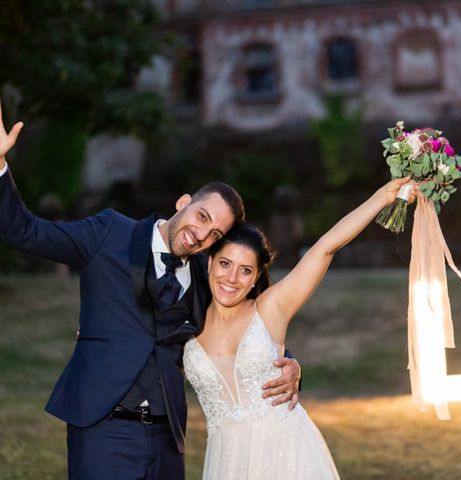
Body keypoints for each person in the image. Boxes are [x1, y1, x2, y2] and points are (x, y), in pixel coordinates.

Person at [0, 102, 301, 480]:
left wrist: (289, 361)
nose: (201, 234)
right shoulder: (109, 233)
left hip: (165, 437)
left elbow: (243, 324)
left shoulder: (206, 276)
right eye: (202, 217)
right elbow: (24, 231)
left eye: (215, 235)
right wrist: (0, 167)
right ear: (183, 202)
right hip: (101, 429)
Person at [184, 177, 415, 479]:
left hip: (286, 453)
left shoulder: (269, 309)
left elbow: (324, 249)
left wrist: (383, 196)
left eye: (245, 271)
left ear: (255, 278)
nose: (232, 279)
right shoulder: (185, 322)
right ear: (210, 261)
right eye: (225, 264)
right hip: (226, 461)